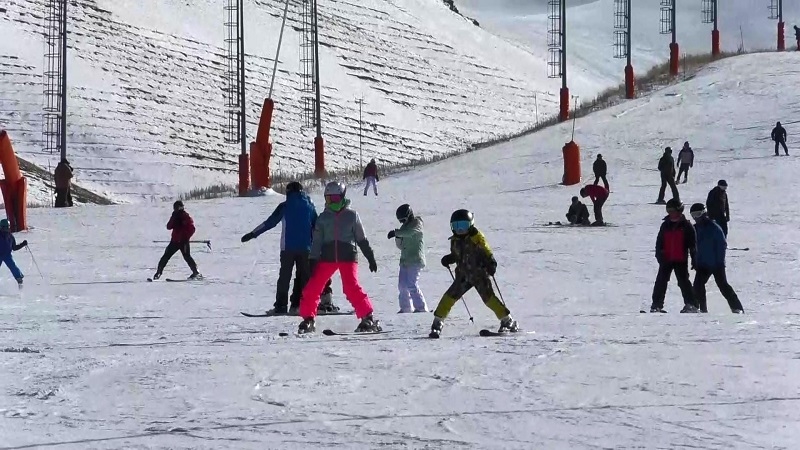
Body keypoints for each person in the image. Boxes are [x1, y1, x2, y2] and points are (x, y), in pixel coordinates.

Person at [241, 181, 339, 315]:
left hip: (287, 249)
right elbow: (316, 226)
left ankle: (281, 306)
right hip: (306, 248)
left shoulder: (285, 206)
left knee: (284, 278)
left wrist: (253, 233)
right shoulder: (309, 205)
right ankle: (303, 305)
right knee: (304, 278)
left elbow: (270, 222)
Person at [296, 181, 380, 334]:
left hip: (348, 256)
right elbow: (317, 241)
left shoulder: (352, 215)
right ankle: (308, 319)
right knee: (313, 287)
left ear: (342, 197)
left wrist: (370, 257)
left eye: (334, 198)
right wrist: (313, 260)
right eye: (328, 199)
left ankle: (368, 317)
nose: (331, 202)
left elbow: (361, 239)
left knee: (351, 287)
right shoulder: (323, 218)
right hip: (327, 257)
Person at [431, 209, 518, 337]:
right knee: (448, 298)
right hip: (463, 276)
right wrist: (449, 258)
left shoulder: (476, 238)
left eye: (463, 225)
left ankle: (507, 320)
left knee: (489, 299)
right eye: (457, 226)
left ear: (471, 224)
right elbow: (457, 255)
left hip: (479, 275)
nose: (460, 229)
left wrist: (491, 262)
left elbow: (486, 250)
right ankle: (437, 323)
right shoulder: (455, 240)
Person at [689, 203, 744, 314]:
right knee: (698, 286)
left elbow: (722, 245)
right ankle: (701, 308)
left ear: (704, 213)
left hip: (716, 263)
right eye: (693, 215)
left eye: (698, 214)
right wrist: (694, 260)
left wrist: (720, 262)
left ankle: (737, 307)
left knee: (723, 285)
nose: (696, 218)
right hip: (703, 263)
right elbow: (693, 246)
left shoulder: (714, 228)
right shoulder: (695, 229)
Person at [649, 199, 698, 313]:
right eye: (668, 211)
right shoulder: (665, 225)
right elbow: (659, 242)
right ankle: (656, 304)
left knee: (683, 282)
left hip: (680, 258)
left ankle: (691, 304)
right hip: (666, 258)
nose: (670, 213)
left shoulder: (687, 226)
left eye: (673, 211)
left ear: (679, 210)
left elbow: (692, 244)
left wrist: (694, 259)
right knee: (661, 281)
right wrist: (659, 255)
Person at [387, 204, 428, 313]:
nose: (402, 222)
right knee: (402, 286)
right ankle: (405, 308)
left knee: (412, 284)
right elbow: (400, 245)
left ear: (409, 215)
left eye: (403, 220)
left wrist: (396, 233)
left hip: (416, 259)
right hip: (405, 260)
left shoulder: (417, 223)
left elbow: (410, 233)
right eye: (401, 221)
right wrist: (397, 237)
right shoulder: (403, 228)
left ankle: (421, 308)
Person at [153, 200, 201, 280]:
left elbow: (192, 229)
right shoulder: (174, 216)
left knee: (187, 257)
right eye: (175, 208)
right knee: (166, 256)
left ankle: (196, 272)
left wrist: (186, 237)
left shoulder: (185, 216)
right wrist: (174, 220)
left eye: (177, 207)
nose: (176, 209)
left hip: (183, 241)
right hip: (175, 241)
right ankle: (158, 272)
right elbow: (168, 226)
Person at [0, 219, 27, 288]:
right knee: (13, 266)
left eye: (8, 227)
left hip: (7, 255)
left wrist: (22, 244)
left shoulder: (10, 236)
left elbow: (14, 247)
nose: (6, 229)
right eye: (5, 227)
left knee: (13, 266)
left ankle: (19, 279)